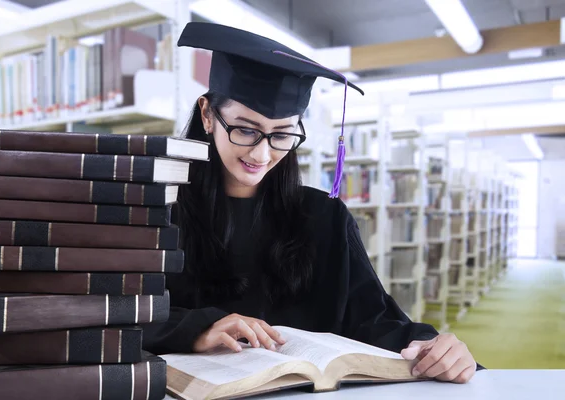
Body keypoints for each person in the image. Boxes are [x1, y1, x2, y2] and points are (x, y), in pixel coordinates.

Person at [142, 22, 480, 384]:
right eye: (245, 129)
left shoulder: (324, 218)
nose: (262, 152)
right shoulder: (154, 210)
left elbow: (374, 321)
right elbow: (106, 319)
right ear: (208, 115)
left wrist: (434, 347)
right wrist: (196, 329)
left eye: (282, 134)